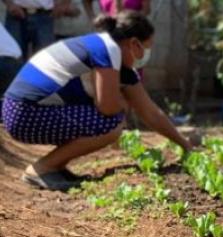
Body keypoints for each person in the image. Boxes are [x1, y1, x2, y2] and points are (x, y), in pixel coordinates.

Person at [2, 10, 194, 190]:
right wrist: (122, 104)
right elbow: (107, 108)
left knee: (107, 119)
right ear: (134, 43)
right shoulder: (107, 50)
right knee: (112, 124)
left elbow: (150, 112)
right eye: (147, 48)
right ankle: (41, 169)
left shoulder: (116, 59)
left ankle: (56, 167)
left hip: (22, 110)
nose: (146, 55)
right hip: (24, 113)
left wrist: (184, 145)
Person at [4, 1, 76, 60]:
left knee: (45, 58)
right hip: (15, 14)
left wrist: (64, 3)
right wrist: (9, 4)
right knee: (13, 57)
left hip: (45, 16)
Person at [82, 0, 151, 18]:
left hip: (132, 30)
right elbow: (86, 1)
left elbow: (146, 11)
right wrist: (92, 17)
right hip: (108, 31)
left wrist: (130, 16)